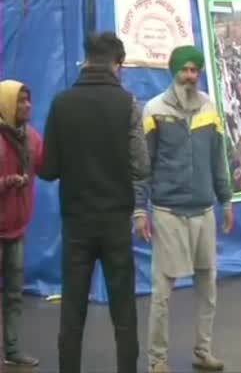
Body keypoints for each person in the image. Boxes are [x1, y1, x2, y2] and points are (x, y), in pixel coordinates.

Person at [39, 33, 150, 373]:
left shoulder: (61, 103)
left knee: (72, 311)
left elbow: (49, 170)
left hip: (76, 224)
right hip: (115, 221)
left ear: (87, 59)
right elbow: (141, 165)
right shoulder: (128, 103)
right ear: (117, 64)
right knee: (123, 312)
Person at [134, 45, 234, 373]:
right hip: (168, 212)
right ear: (173, 71)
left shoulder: (209, 108)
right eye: (185, 70)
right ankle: (157, 360)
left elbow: (218, 159)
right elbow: (142, 166)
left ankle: (203, 351)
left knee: (209, 286)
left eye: (195, 70)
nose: (191, 76)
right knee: (162, 291)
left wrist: (227, 200)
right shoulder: (153, 110)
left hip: (204, 211)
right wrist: (139, 209)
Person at [0, 81, 44, 367]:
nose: (26, 106)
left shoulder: (31, 138)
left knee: (15, 294)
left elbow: (46, 165)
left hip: (16, 230)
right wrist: (6, 183)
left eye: (28, 100)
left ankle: (13, 350)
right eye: (20, 101)